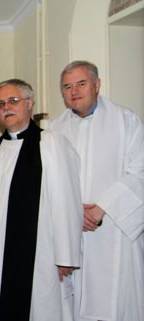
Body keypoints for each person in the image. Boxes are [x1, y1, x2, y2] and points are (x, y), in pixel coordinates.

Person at [0, 79, 83, 321]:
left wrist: (65, 254)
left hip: (42, 250)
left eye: (13, 101)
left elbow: (67, 201)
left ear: (29, 103)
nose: (6, 107)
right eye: (0, 103)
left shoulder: (50, 143)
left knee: (42, 306)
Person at [50, 61, 144, 321]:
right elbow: (50, 181)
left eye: (81, 83)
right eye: (67, 86)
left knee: (117, 303)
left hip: (116, 229)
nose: (74, 91)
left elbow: (140, 169)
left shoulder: (126, 121)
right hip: (74, 232)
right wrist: (74, 212)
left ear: (97, 85)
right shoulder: (54, 131)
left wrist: (102, 208)